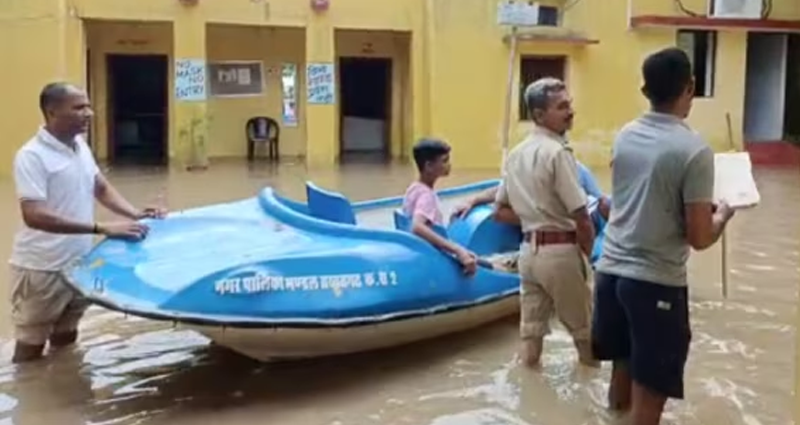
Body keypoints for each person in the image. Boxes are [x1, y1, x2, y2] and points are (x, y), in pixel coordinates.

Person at [591, 47, 736, 425]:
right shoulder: (693, 150)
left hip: (610, 274)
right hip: (654, 285)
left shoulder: (625, 134)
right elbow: (699, 237)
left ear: (645, 90)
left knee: (620, 383)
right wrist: (722, 215)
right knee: (648, 407)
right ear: (689, 87)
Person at [10, 82, 168, 363]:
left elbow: (100, 187)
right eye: (79, 107)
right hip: (42, 267)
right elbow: (33, 215)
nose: (89, 113)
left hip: (80, 262)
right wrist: (101, 228)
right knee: (30, 345)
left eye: (88, 106)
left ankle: (63, 392)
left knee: (67, 335)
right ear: (52, 112)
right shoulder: (31, 156)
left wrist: (134, 214)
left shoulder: (80, 146)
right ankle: (27, 398)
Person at [494, 77, 597, 368]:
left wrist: (534, 219)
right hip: (561, 252)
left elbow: (498, 210)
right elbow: (581, 216)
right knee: (585, 334)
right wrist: (585, 256)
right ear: (540, 115)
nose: (570, 112)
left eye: (569, 105)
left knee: (531, 335)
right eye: (562, 107)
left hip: (528, 253)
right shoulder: (558, 153)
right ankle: (589, 401)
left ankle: (527, 398)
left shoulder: (515, 155)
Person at [402, 138, 478, 276]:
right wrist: (458, 250)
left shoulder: (413, 189)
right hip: (433, 256)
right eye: (444, 161)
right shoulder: (427, 195)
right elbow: (417, 227)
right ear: (429, 166)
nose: (449, 165)